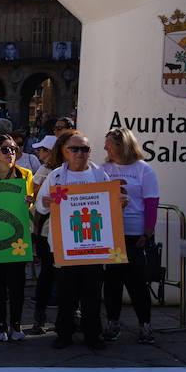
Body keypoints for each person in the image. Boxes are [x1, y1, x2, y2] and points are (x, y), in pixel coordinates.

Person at [35, 132, 112, 349]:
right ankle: (64, 333)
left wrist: (118, 203)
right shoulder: (57, 176)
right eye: (74, 149)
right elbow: (40, 206)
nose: (80, 153)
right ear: (64, 151)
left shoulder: (99, 176)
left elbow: (108, 206)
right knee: (66, 292)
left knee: (92, 293)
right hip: (64, 244)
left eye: (84, 149)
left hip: (93, 244)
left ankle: (92, 334)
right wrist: (47, 202)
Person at [100, 128, 160, 344]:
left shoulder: (143, 169)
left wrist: (147, 232)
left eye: (110, 143)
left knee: (137, 282)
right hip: (111, 233)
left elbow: (152, 203)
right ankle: (113, 323)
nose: (105, 147)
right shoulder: (104, 168)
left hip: (135, 234)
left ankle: (145, 324)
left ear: (122, 145)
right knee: (113, 282)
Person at [0, 134, 35, 341]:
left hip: (17, 236)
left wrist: (30, 202)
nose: (11, 153)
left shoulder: (25, 174)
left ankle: (17, 325)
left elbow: (29, 205)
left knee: (17, 283)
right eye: (5, 149)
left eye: (14, 149)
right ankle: (1, 326)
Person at [28, 132, 69, 334]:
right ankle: (40, 315)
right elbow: (37, 198)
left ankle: (69, 316)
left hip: (71, 230)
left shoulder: (85, 171)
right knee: (48, 272)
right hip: (47, 229)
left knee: (66, 275)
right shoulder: (50, 172)